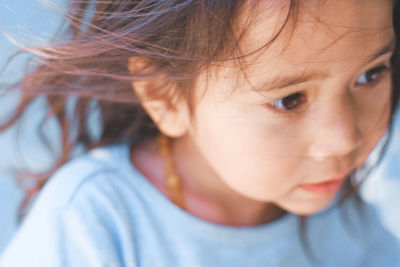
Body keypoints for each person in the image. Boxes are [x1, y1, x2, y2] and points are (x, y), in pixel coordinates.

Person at [0, 0, 399, 266]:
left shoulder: (345, 216)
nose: (346, 137)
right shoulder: (94, 221)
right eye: (290, 100)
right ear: (166, 97)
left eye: (371, 73)